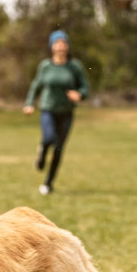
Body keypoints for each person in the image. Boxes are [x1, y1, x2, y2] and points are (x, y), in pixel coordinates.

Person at [23, 30, 90, 195]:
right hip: (48, 109)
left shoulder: (74, 67)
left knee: (59, 148)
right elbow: (36, 86)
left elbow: (85, 87)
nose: (61, 46)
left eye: (64, 43)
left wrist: (79, 94)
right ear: (52, 46)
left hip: (66, 112)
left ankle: (48, 183)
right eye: (57, 43)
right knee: (49, 138)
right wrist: (29, 103)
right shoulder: (45, 66)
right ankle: (42, 152)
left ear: (67, 46)